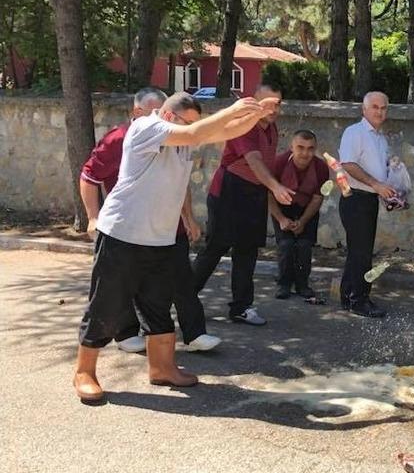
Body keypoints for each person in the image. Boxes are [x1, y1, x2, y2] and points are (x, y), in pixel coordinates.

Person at [74, 93, 277, 402]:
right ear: (169, 116)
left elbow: (220, 132)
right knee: (106, 304)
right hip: (122, 235)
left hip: (161, 240)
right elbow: (199, 132)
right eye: (187, 122)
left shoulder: (182, 138)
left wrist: (255, 115)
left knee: (158, 306)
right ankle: (84, 372)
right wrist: (232, 109)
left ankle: (163, 369)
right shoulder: (146, 127)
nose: (193, 131)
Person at [79, 87, 221, 353]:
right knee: (116, 290)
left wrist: (188, 217)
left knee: (177, 282)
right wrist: (92, 217)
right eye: (154, 111)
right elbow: (89, 177)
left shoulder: (179, 140)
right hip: (128, 227)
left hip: (165, 227)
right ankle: (122, 335)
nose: (159, 116)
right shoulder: (123, 137)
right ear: (139, 113)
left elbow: (181, 182)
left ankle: (192, 335)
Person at [192, 83, 291, 326]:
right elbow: (255, 161)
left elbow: (266, 162)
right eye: (267, 102)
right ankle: (183, 296)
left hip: (254, 192)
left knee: (247, 251)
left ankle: (241, 307)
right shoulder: (245, 125)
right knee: (215, 248)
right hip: (229, 190)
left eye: (277, 103)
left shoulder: (272, 128)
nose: (273, 108)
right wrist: (275, 187)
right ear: (255, 102)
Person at [337, 91, 397, 318]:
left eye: (383, 108)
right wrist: (376, 184)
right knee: (362, 254)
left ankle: (348, 296)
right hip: (356, 199)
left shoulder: (379, 137)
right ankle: (359, 300)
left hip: (369, 199)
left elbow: (377, 170)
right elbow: (348, 164)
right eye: (374, 107)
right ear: (364, 109)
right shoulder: (355, 132)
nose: (379, 111)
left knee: (357, 252)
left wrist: (389, 186)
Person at [269, 130, 329, 301]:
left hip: (308, 208)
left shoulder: (321, 168)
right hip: (282, 207)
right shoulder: (278, 163)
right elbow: (267, 194)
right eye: (300, 147)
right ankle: (283, 284)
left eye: (310, 148)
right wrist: (281, 219)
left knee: (304, 245)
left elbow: (318, 198)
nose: (305, 153)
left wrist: (303, 221)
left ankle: (302, 284)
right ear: (291, 147)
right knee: (286, 244)